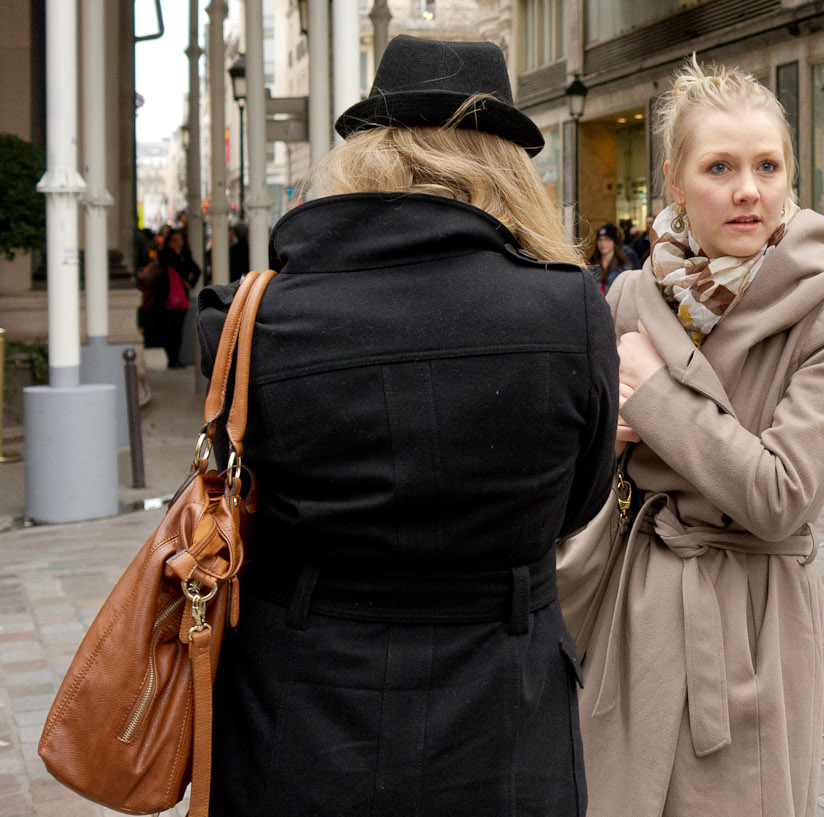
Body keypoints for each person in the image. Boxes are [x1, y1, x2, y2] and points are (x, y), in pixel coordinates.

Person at [199, 36, 616, 814]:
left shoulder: (256, 317)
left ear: (365, 156)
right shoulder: (570, 311)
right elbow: (581, 502)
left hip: (298, 702)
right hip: (507, 703)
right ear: (508, 169)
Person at [586, 58, 824, 815]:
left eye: (767, 165)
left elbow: (781, 495)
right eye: (719, 166)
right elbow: (583, 459)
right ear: (676, 183)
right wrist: (603, 436)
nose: (748, 189)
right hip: (637, 601)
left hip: (754, 618)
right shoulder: (630, 294)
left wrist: (652, 400)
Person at [138, 226, 200, 368]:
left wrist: (189, 283)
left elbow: (195, 270)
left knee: (178, 329)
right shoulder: (165, 254)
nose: (178, 243)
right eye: (175, 240)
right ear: (169, 242)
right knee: (168, 329)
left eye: (180, 240)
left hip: (180, 296)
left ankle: (176, 358)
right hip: (165, 297)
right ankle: (171, 359)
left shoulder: (185, 254)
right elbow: (176, 268)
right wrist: (178, 256)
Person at [591, 222, 635, 292]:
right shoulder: (591, 266)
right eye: (600, 239)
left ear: (614, 242)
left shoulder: (623, 268)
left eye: (607, 239)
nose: (603, 243)